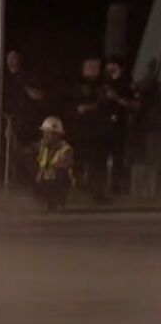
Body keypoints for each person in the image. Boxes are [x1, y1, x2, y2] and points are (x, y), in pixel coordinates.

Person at [101, 57, 140, 194]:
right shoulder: (105, 82)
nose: (107, 67)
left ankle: (116, 187)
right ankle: (99, 187)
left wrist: (117, 98)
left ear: (117, 66)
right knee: (101, 155)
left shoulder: (127, 83)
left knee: (118, 156)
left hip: (120, 125)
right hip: (103, 124)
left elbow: (136, 104)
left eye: (110, 64)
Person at [69, 57, 105, 201]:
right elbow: (72, 105)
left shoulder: (100, 86)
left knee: (95, 161)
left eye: (96, 67)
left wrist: (90, 108)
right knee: (79, 159)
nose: (94, 69)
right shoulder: (78, 86)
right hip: (81, 129)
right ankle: (78, 188)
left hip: (96, 130)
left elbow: (102, 104)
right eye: (90, 66)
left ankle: (96, 193)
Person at [34, 116, 75, 211]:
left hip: (60, 180)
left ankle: (59, 201)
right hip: (45, 179)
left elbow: (64, 166)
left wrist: (43, 172)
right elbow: (25, 150)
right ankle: (46, 201)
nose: (45, 136)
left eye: (48, 134)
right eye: (44, 133)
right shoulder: (42, 146)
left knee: (59, 174)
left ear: (57, 135)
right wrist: (10, 138)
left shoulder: (66, 148)